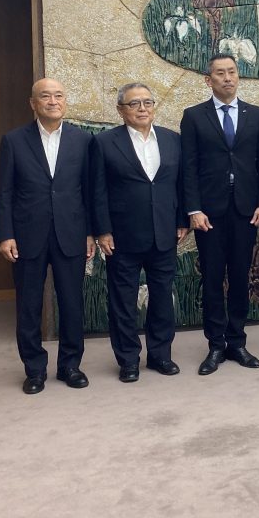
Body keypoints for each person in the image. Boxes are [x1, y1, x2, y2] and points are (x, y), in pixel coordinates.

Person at [0, 77, 94, 395]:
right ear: (33, 103)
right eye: (46, 96)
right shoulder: (13, 140)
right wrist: (5, 234)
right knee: (28, 305)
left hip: (71, 233)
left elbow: (89, 191)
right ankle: (34, 369)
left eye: (58, 95)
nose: (53, 101)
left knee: (72, 303)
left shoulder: (83, 140)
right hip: (27, 235)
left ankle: (70, 366)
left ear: (65, 101)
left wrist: (90, 232)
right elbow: (4, 192)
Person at [181, 54, 259, 376]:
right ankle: (215, 345)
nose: (227, 78)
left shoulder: (256, 114)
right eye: (220, 73)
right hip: (209, 213)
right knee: (211, 278)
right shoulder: (194, 116)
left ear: (238, 76)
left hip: (246, 211)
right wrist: (193, 209)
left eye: (232, 72)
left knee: (240, 276)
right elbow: (188, 167)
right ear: (209, 80)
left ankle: (237, 342)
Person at [91, 83, 188, 382]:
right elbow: (97, 191)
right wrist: (102, 230)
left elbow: (181, 184)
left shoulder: (172, 140)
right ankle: (128, 360)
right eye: (134, 104)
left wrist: (182, 219)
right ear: (121, 110)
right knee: (123, 301)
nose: (142, 108)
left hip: (164, 233)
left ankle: (160, 355)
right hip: (122, 236)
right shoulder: (104, 142)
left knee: (162, 298)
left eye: (147, 102)